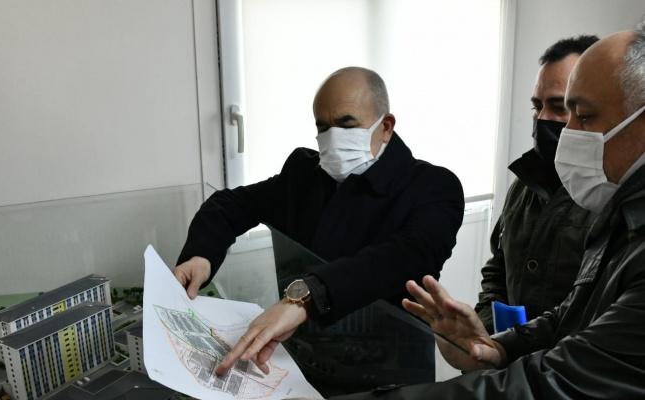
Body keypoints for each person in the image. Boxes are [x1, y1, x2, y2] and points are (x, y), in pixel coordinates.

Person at [324, 24, 645, 399]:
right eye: (539, 107)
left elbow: (557, 382)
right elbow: (568, 312)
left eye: (582, 115)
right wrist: (498, 345)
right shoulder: (602, 202)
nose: (563, 127)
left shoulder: (607, 205)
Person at [174, 67, 465, 376]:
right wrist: (201, 255)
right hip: (297, 359)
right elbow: (233, 204)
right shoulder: (304, 174)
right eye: (323, 127)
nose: (333, 138)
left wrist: (309, 295)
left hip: (385, 371)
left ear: (386, 127)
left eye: (347, 124)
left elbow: (404, 257)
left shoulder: (433, 186)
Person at [475, 35, 599, 334]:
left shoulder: (610, 192)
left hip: (569, 361)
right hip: (509, 357)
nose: (543, 119)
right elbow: (498, 270)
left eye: (559, 107)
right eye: (537, 107)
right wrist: (487, 332)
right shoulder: (524, 184)